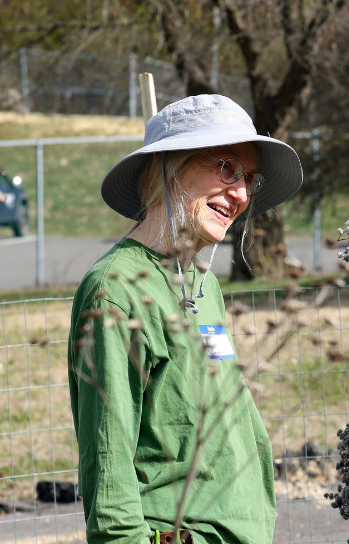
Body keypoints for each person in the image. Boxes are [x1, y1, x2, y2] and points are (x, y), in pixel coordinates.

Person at [68, 95, 303, 543]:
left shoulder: (201, 283)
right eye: (226, 168)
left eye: (249, 178)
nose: (241, 194)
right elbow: (107, 457)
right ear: (166, 166)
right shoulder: (116, 291)